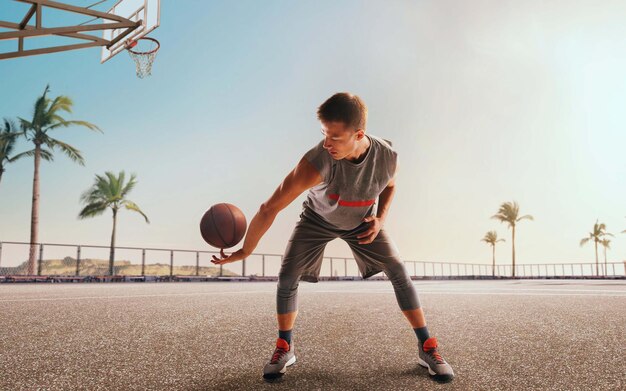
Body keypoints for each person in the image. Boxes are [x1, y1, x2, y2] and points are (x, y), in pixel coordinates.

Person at [211, 92, 454, 382]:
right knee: (287, 276)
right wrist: (246, 251)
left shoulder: (388, 158)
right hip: (317, 220)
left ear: (358, 134)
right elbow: (269, 207)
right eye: (324, 134)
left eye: (335, 137)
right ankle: (284, 347)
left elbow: (390, 186)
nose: (327, 143)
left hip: (361, 222)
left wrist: (380, 219)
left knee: (399, 272)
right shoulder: (316, 163)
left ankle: (426, 346)